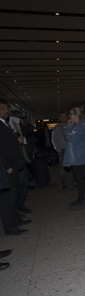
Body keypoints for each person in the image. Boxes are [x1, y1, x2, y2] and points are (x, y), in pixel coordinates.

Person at [0, 98, 28, 236]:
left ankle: (14, 220)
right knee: (8, 199)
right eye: (3, 109)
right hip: (8, 168)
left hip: (14, 165)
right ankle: (9, 226)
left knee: (14, 195)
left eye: (7, 108)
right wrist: (8, 166)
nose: (6, 111)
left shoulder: (5, 124)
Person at [64, 107, 85, 206]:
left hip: (83, 158)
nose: (69, 116)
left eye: (71, 114)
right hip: (78, 159)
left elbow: (72, 138)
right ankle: (81, 198)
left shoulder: (81, 126)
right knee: (79, 180)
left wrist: (67, 128)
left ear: (76, 116)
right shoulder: (78, 126)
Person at [52, 112, 69, 189]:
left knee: (74, 166)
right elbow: (53, 139)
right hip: (61, 150)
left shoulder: (70, 126)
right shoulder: (56, 128)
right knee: (62, 168)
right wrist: (58, 149)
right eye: (61, 117)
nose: (63, 118)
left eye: (64, 116)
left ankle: (76, 181)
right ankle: (63, 183)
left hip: (71, 149)